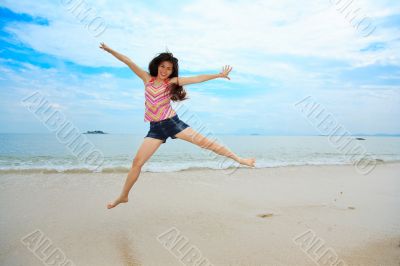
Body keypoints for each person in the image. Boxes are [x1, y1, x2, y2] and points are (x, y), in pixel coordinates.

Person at [99, 42, 256, 209]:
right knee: (137, 163)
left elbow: (196, 78)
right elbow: (127, 61)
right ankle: (123, 196)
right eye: (162, 66)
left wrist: (218, 75)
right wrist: (110, 50)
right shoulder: (147, 79)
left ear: (172, 71)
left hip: (172, 123)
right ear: (157, 66)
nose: (165, 70)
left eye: (169, 68)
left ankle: (239, 159)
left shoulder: (172, 82)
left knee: (205, 143)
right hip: (155, 128)